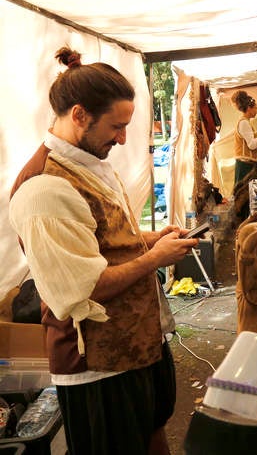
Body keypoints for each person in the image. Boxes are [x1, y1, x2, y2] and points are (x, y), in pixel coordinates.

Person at [8, 47, 199, 455]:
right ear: (79, 115)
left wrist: (153, 238)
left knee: (152, 432)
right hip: (97, 366)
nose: (123, 138)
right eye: (117, 126)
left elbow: (104, 242)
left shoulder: (90, 161)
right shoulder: (44, 190)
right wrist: (155, 257)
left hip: (136, 346)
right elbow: (86, 287)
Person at [232, 90, 257, 186]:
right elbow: (251, 144)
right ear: (249, 108)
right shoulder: (244, 123)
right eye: (255, 108)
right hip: (245, 165)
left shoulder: (247, 122)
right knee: (244, 195)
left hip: (249, 164)